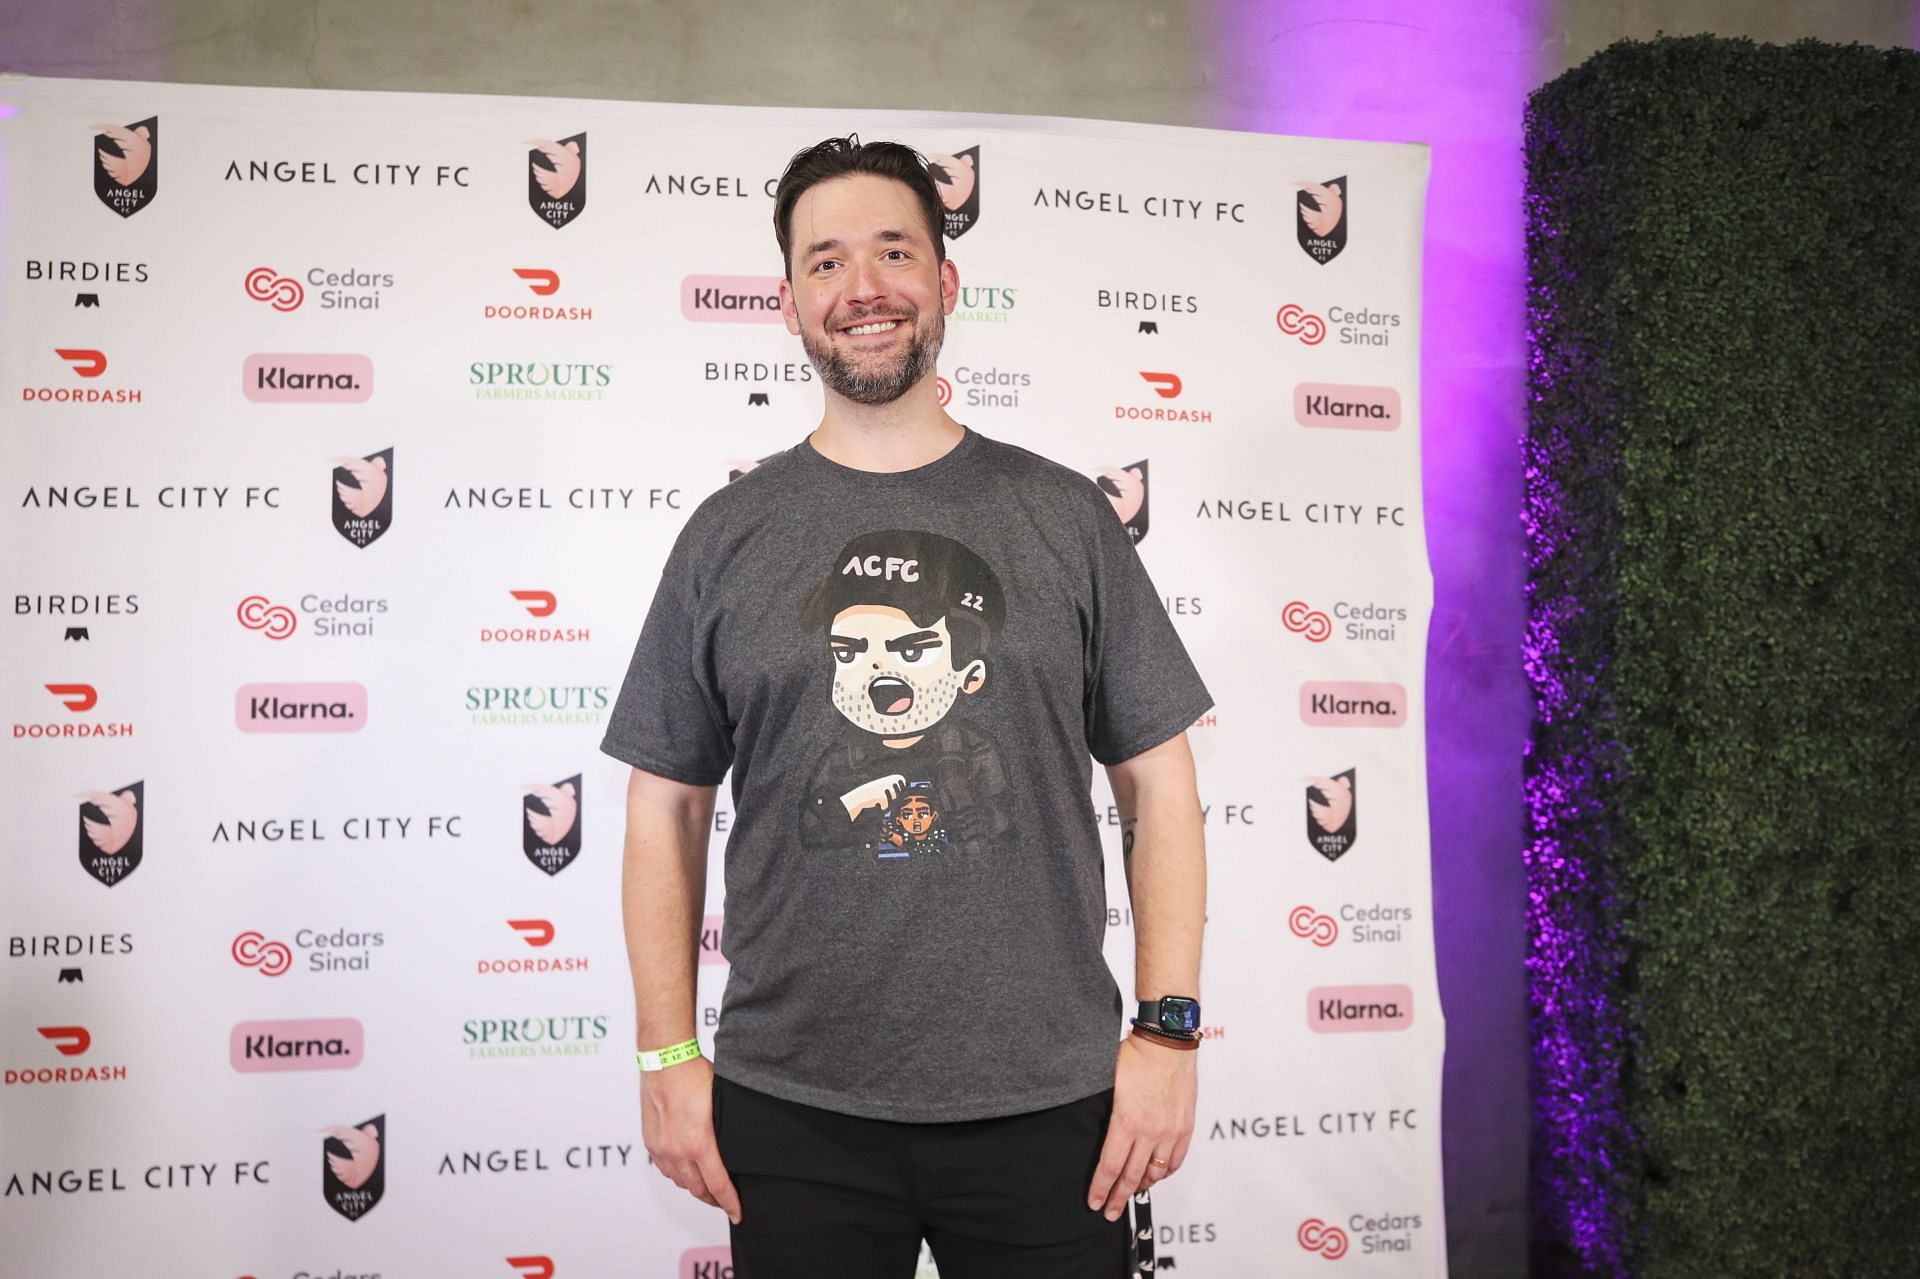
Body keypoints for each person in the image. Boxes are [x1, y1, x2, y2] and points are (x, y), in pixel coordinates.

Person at [603, 135, 1211, 1279]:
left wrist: (1168, 1028)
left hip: (1051, 1101)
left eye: (894, 250)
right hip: (792, 1105)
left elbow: (1160, 784)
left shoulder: (1064, 517)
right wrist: (665, 1054)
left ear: (946, 282)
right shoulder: (727, 536)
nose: (864, 286)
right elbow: (666, 810)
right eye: (826, 261)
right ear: (787, 303)